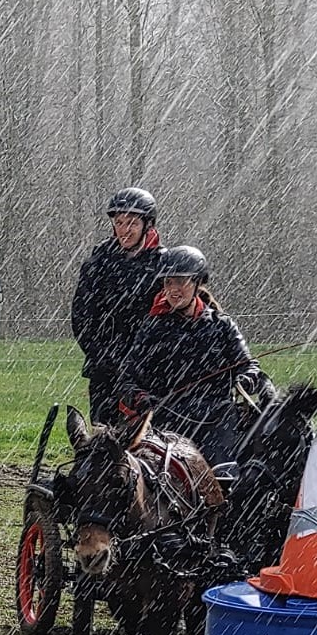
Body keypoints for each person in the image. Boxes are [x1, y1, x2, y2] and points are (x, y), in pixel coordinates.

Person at [120, 244, 274, 468]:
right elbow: (126, 379)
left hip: (217, 422)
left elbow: (249, 367)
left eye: (181, 281)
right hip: (168, 423)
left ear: (197, 283)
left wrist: (245, 380)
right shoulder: (151, 329)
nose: (173, 289)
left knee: (225, 474)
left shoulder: (222, 326)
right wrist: (142, 399)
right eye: (168, 282)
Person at [70, 187, 163, 424]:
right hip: (105, 371)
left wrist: (143, 357)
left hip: (150, 371)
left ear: (147, 225)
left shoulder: (165, 265)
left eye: (132, 223)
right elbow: (82, 317)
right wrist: (104, 356)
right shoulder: (97, 263)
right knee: (105, 442)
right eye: (119, 223)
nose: (125, 230)